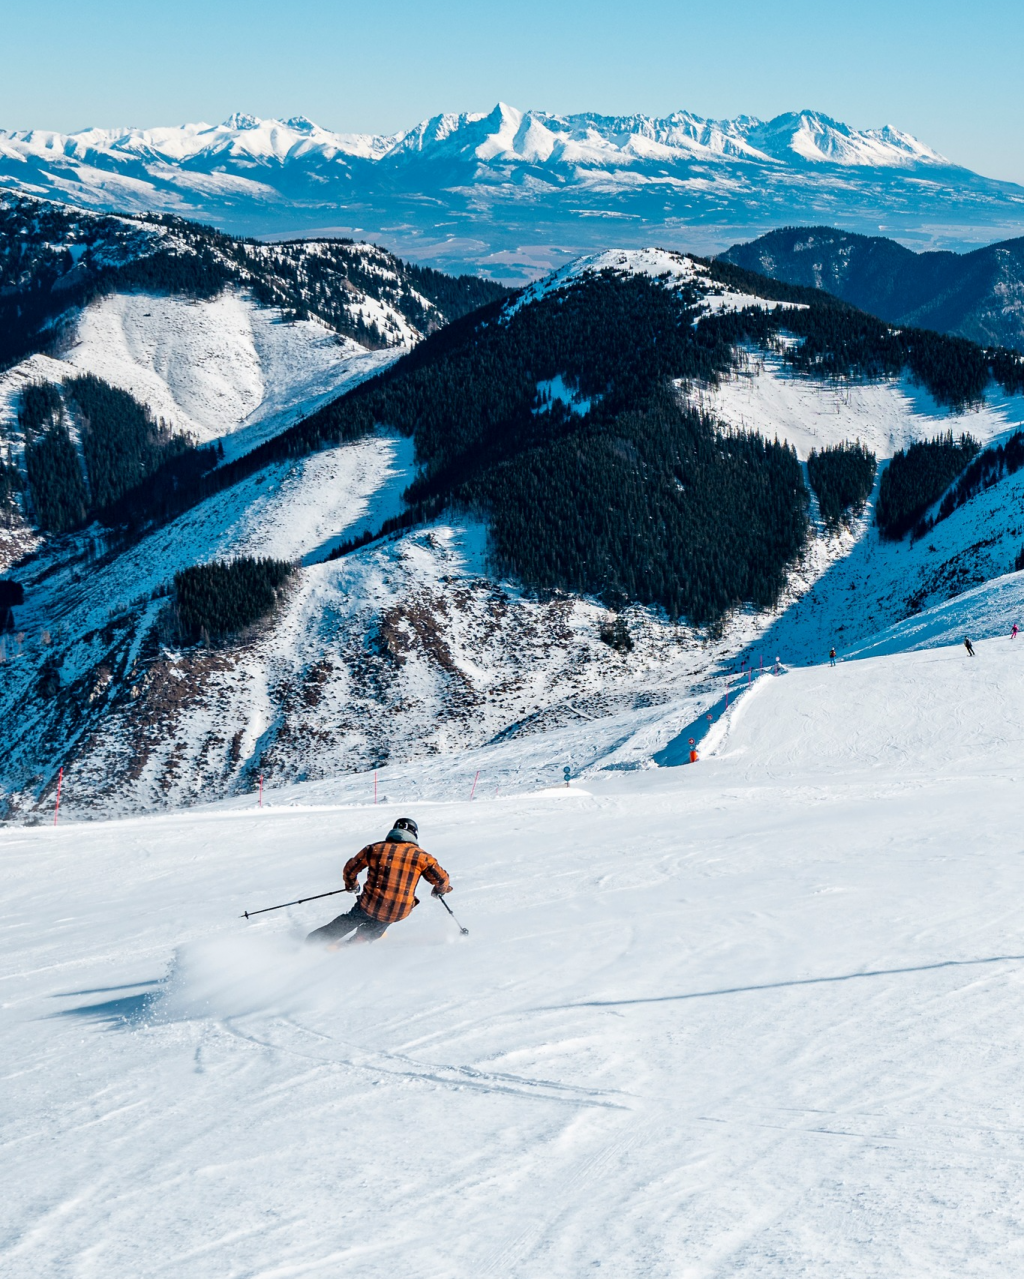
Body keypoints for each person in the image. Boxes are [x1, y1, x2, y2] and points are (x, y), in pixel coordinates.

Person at [306, 816, 451, 946]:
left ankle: (316, 941)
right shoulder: (423, 857)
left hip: (370, 903)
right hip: (398, 909)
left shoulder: (374, 849)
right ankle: (359, 940)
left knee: (354, 917)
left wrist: (352, 885)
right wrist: (439, 891)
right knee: (387, 916)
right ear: (415, 834)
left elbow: (350, 870)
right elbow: (442, 880)